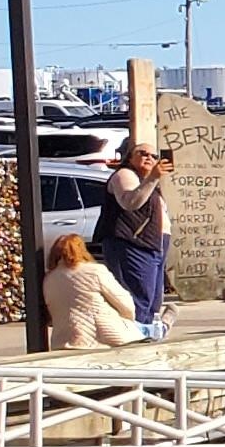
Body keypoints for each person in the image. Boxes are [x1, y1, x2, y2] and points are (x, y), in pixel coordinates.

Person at [95, 140, 172, 333]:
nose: (149, 158)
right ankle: (135, 336)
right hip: (131, 241)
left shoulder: (147, 181)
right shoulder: (125, 175)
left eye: (154, 156)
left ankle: (147, 333)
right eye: (142, 153)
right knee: (138, 296)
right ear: (130, 157)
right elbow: (130, 202)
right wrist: (153, 178)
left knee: (153, 298)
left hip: (153, 243)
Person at [43, 230, 144, 351]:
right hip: (104, 337)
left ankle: (163, 323)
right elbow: (126, 305)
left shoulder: (49, 279)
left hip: (62, 341)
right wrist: (127, 320)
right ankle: (164, 323)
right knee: (146, 330)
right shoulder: (95, 271)